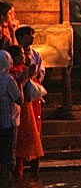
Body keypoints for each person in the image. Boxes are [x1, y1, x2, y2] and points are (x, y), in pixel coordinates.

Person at [6, 45, 42, 181]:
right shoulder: (12, 73)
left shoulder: (21, 70)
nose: (23, 57)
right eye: (20, 55)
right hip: (19, 110)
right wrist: (25, 77)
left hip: (27, 109)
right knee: (20, 140)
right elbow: (18, 92)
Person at [0, 50, 21, 186]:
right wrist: (23, 82)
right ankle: (6, 181)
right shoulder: (8, 79)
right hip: (9, 122)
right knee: (9, 152)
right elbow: (19, 99)